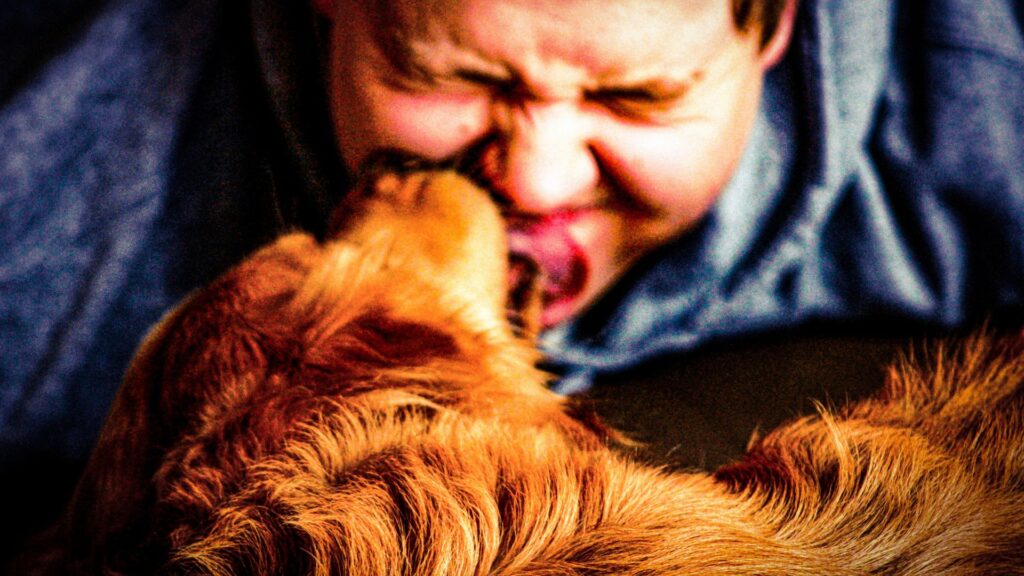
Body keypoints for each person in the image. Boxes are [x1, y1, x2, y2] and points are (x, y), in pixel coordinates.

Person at [1, 0, 1022, 557]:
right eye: (456, 76)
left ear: (774, 27)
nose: (535, 179)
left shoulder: (981, 119)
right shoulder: (50, 214)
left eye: (635, 97)